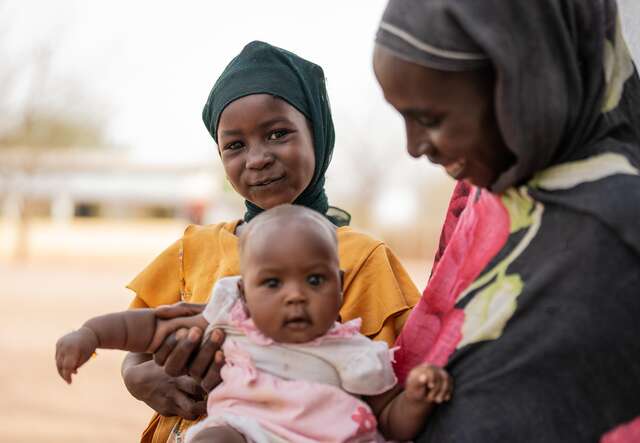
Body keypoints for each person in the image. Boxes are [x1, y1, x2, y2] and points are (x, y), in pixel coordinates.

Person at [122, 41, 421, 442]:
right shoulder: (193, 250)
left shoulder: (363, 258)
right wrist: (136, 378)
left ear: (318, 133)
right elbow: (139, 346)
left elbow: (390, 390)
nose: (257, 158)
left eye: (278, 134)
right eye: (235, 145)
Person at [373, 0, 640, 441]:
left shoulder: (617, 235)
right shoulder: (493, 204)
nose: (414, 147)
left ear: (529, 84)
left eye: (429, 118)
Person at [57, 205, 451, 443]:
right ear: (245, 290)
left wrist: (414, 399)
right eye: (273, 283)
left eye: (315, 280)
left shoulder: (354, 353)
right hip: (243, 432)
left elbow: (391, 422)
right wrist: (90, 334)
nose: (295, 295)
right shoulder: (232, 321)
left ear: (340, 287)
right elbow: (148, 325)